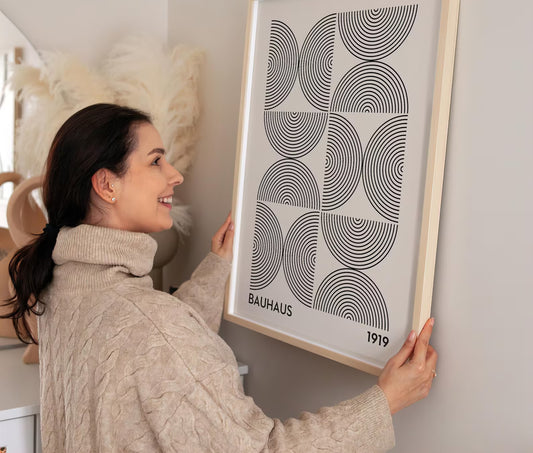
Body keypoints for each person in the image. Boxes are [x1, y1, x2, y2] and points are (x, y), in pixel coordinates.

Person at [3, 103, 437, 452]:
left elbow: (154, 357)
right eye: (156, 161)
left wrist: (217, 266)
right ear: (107, 185)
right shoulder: (149, 324)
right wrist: (386, 401)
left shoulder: (61, 288)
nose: (175, 174)